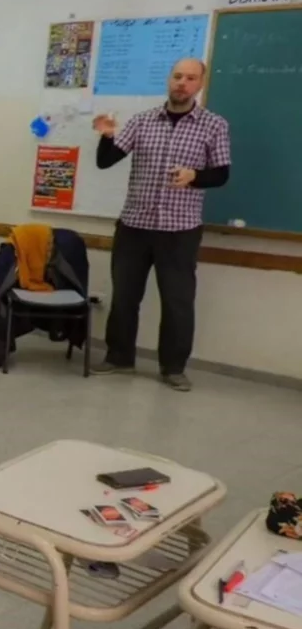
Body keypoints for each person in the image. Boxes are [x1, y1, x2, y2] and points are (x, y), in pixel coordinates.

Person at [91, 58, 230, 392]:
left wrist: (195, 176)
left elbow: (222, 174)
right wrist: (107, 136)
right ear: (169, 80)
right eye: (177, 76)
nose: (182, 82)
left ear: (200, 84)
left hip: (180, 230)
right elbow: (106, 161)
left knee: (178, 302)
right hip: (134, 226)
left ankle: (173, 368)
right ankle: (119, 357)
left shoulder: (214, 125)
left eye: (190, 78)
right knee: (125, 296)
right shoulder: (142, 121)